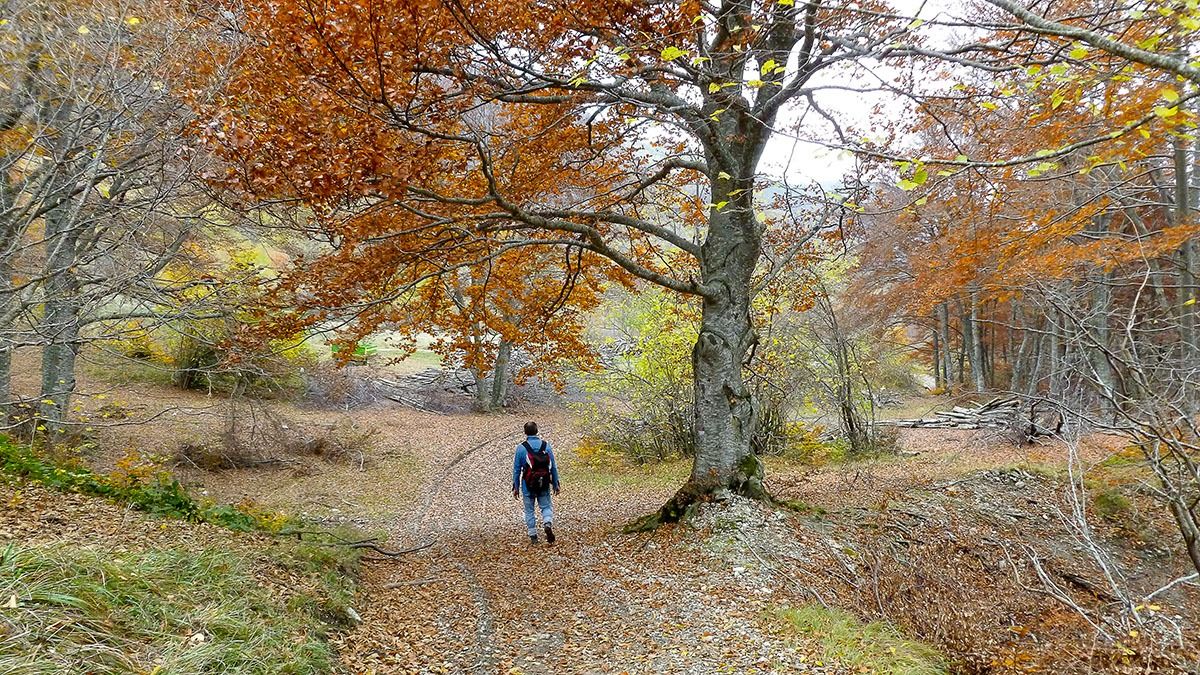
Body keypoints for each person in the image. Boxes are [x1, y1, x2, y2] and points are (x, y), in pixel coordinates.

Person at [512, 421, 560, 545]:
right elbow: (553, 467)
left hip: (528, 484)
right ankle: (547, 523)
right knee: (546, 506)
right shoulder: (546, 446)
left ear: (525, 432)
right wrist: (555, 483)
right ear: (537, 431)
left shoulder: (521, 448)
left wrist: (516, 487)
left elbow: (517, 469)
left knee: (529, 510)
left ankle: (533, 536)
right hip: (543, 482)